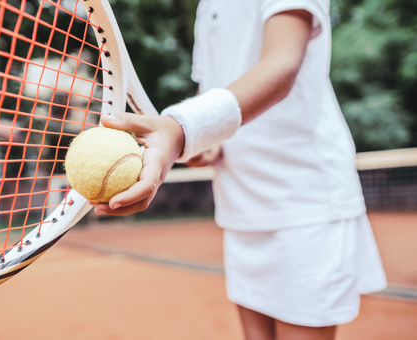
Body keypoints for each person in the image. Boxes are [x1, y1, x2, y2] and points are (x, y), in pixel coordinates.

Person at [91, 1, 387, 339]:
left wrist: (182, 129)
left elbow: (282, 63)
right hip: (241, 206)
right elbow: (214, 91)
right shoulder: (208, 5)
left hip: (305, 203)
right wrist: (205, 142)